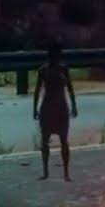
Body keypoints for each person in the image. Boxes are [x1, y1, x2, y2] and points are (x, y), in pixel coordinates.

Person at [32, 41, 78, 181]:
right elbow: (37, 91)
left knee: (63, 140)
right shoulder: (43, 70)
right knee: (45, 140)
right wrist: (34, 108)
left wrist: (74, 106)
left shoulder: (64, 69)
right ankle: (46, 172)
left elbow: (70, 88)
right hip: (48, 107)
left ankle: (66, 172)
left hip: (60, 107)